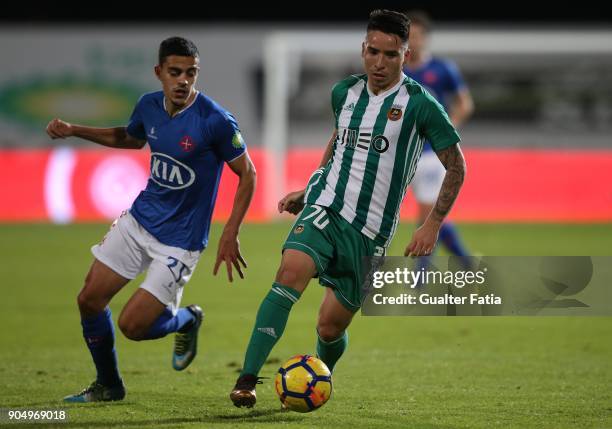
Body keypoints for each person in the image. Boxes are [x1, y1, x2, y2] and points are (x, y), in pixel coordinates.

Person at [230, 10, 466, 408]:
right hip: (325, 208)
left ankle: (323, 377)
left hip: (370, 231)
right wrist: (310, 187)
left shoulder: (421, 105)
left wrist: (432, 224)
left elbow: (457, 165)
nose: (379, 62)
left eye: (390, 55)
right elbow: (340, 140)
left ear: (405, 57)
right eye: (373, 52)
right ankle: (247, 380)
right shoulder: (345, 92)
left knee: (330, 325)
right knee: (289, 274)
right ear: (363, 49)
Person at [46, 36, 256, 403]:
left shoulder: (215, 120)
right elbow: (129, 138)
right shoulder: (148, 106)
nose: (183, 81)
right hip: (140, 221)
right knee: (89, 300)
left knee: (133, 326)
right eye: (175, 72)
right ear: (159, 72)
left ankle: (187, 318)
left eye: (191, 73)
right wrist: (75, 130)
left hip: (180, 241)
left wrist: (230, 232)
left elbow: (248, 173)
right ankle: (109, 385)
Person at [404, 11, 474, 270]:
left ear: (425, 39)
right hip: (402, 153)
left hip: (432, 155)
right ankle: (466, 261)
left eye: (417, 36)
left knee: (427, 213)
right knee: (434, 215)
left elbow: (465, 103)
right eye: (408, 36)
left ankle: (420, 275)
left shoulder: (442, 69)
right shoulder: (394, 71)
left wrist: (446, 131)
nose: (413, 41)